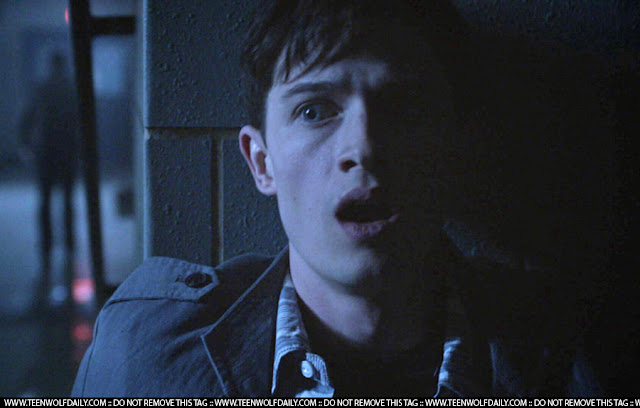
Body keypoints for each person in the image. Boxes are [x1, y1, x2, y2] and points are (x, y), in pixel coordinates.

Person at [72, 0, 600, 397]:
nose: (363, 148)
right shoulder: (148, 360)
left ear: (455, 147)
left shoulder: (575, 352)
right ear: (261, 162)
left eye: (403, 106)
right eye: (314, 110)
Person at [19, 52, 79, 308]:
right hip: (65, 151)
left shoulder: (43, 88)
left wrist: (25, 144)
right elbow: (81, 121)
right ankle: (68, 243)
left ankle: (48, 245)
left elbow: (27, 118)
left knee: (46, 201)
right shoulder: (70, 89)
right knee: (65, 201)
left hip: (47, 151)